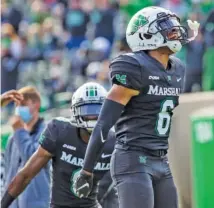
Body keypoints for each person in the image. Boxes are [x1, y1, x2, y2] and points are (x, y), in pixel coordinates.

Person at [73, 6, 200, 208]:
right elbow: (104, 124)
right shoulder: (134, 67)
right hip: (132, 158)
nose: (176, 32)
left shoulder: (178, 69)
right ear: (147, 34)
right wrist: (86, 171)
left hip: (161, 159)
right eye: (167, 28)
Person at [1, 82, 117, 208]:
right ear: (75, 111)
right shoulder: (59, 131)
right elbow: (26, 175)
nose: (93, 116)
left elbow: (118, 188)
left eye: (98, 110)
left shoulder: (115, 141)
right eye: (87, 110)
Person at [2, 86, 50, 208]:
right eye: (17, 105)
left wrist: (19, 130)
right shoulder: (13, 139)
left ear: (37, 105)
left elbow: (33, 161)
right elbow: (8, 175)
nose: (19, 109)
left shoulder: (47, 134)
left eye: (23, 104)